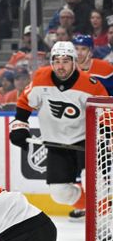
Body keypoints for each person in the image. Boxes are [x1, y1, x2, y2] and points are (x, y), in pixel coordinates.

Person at [9, 41, 106, 219]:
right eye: (57, 61)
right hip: (56, 144)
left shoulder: (90, 85)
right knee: (59, 193)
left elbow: (105, 113)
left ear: (74, 61)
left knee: (93, 183)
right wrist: (19, 126)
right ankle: (93, 209)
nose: (60, 66)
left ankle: (104, 221)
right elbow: (24, 103)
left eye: (66, 61)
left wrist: (106, 137)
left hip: (86, 143)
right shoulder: (40, 79)